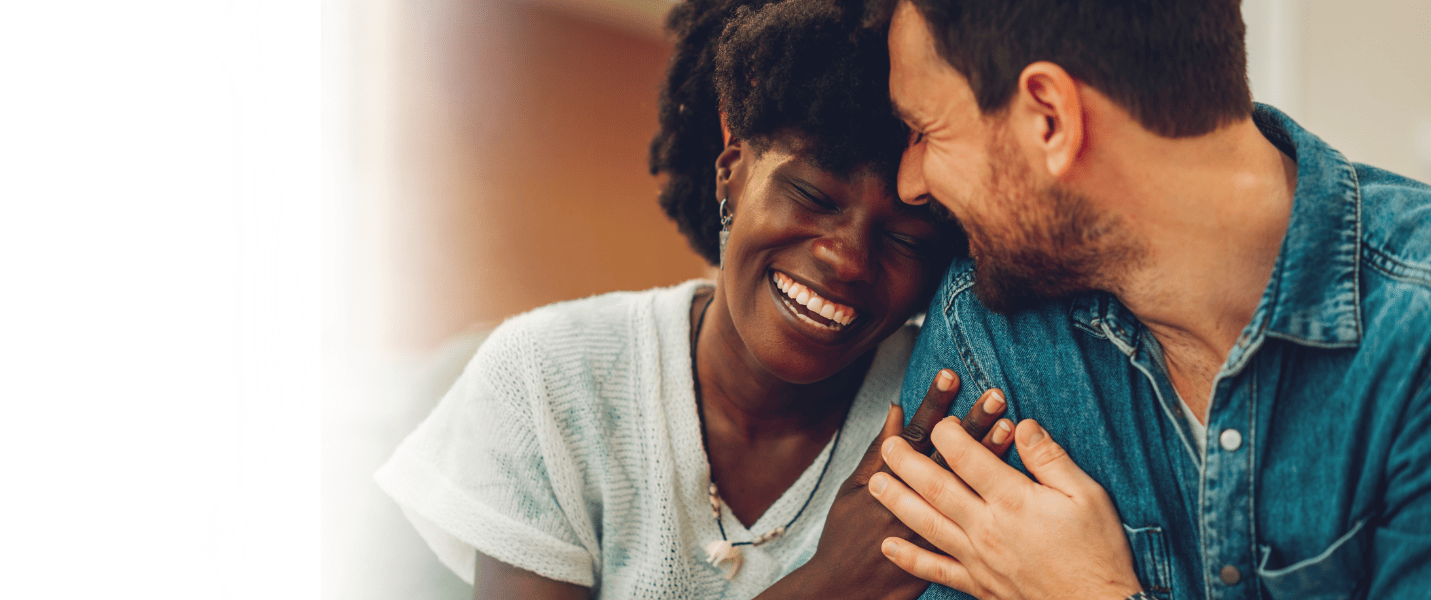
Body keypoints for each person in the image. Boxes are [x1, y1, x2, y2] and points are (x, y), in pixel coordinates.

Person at [374, 1, 1012, 598]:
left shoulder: (946, 417)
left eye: (906, 238)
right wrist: (827, 582)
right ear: (730, 166)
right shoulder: (546, 380)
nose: (847, 259)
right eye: (812, 197)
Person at [857, 0, 1431, 599]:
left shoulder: (1415, 334)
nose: (910, 182)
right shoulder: (992, 325)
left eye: (925, 131)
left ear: (1049, 118)